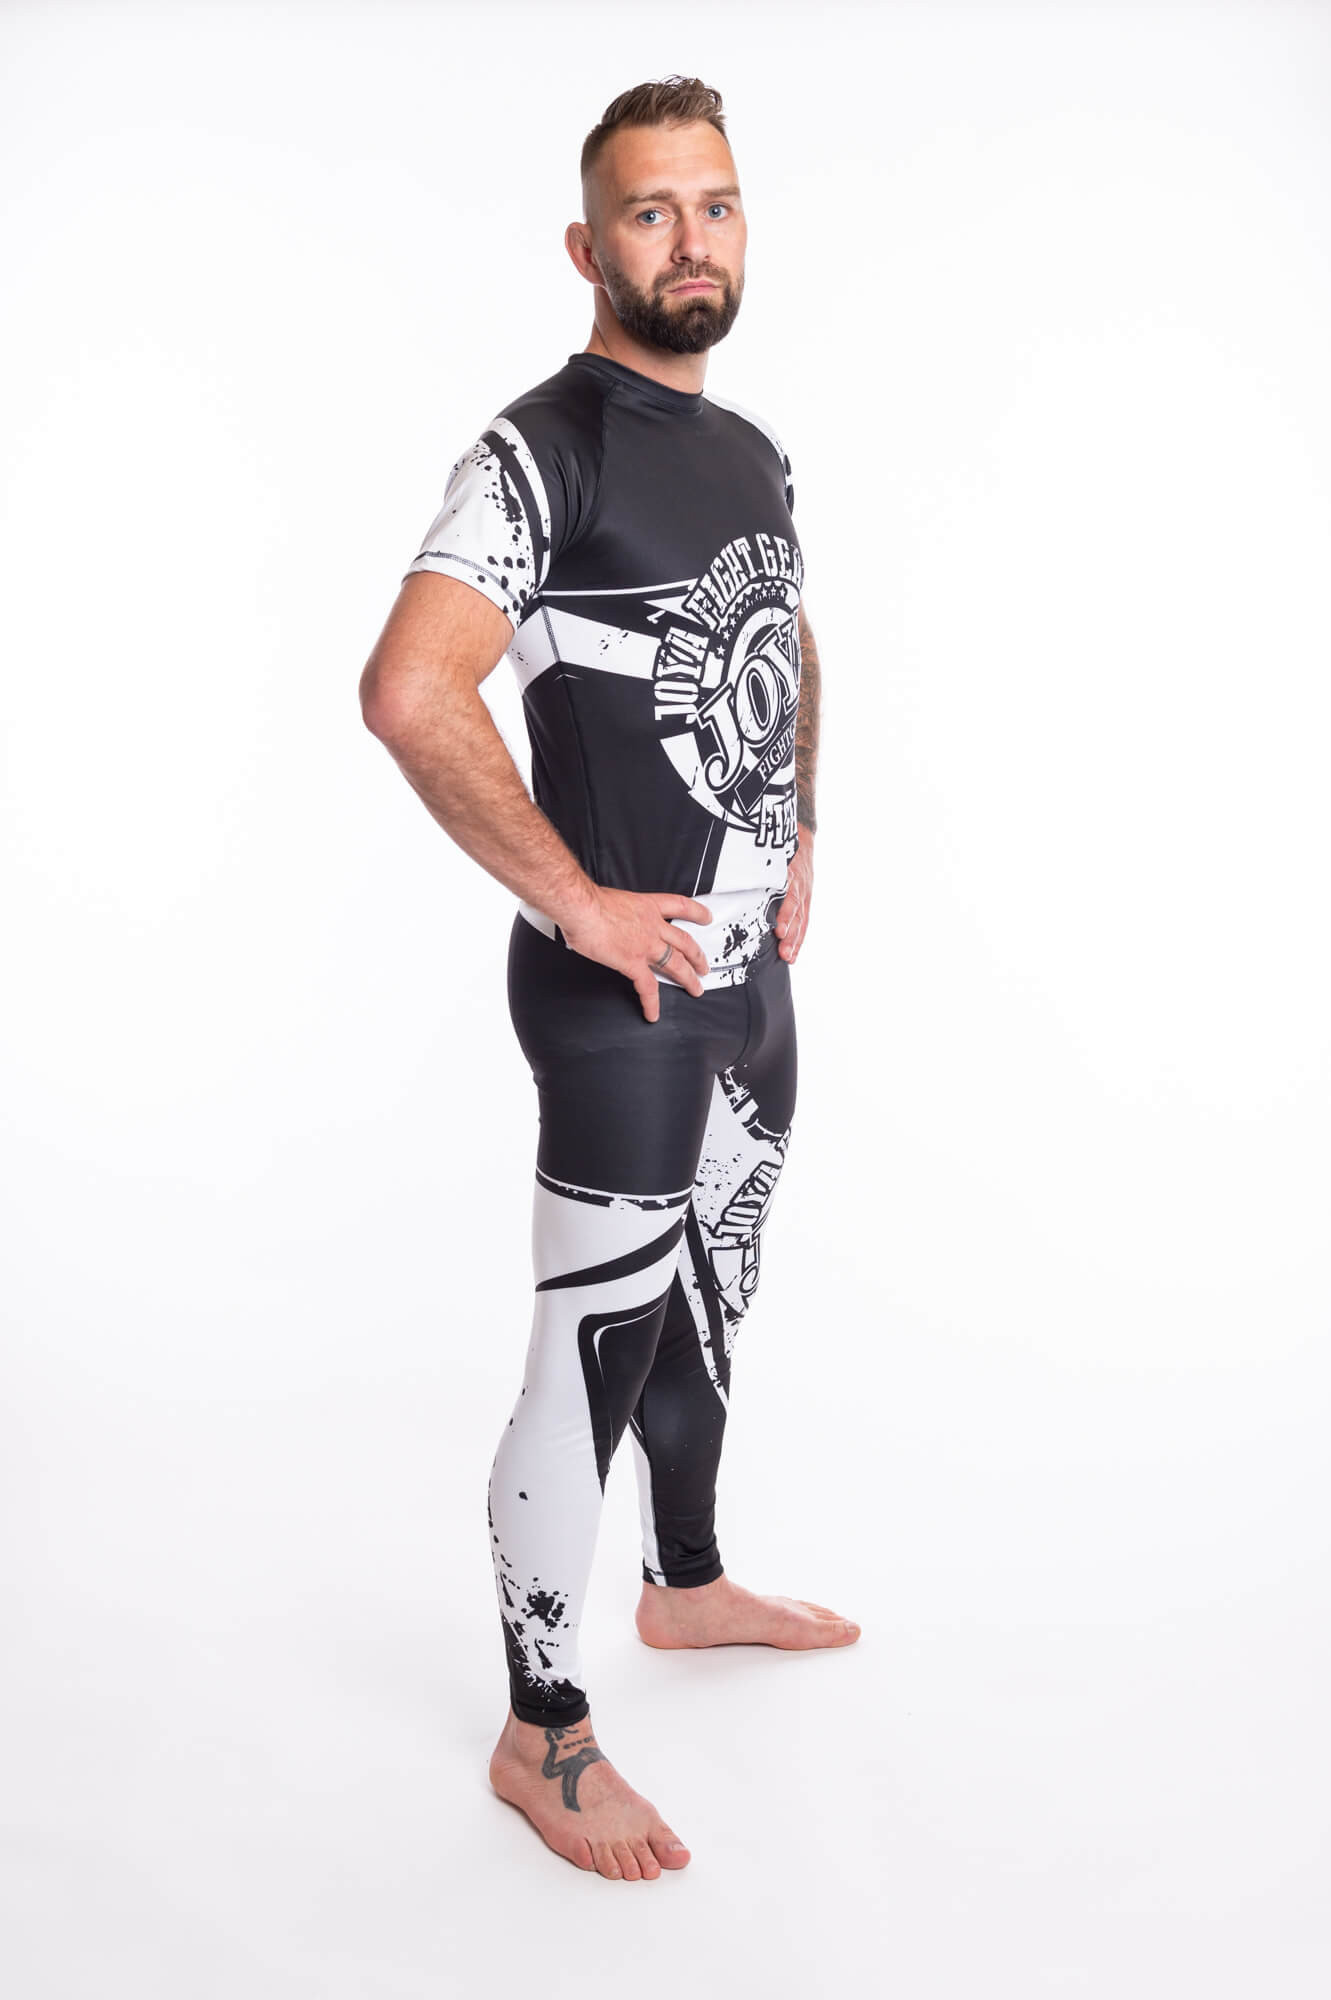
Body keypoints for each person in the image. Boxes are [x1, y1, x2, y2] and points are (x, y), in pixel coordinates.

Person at [359, 74, 859, 1883]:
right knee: (590, 1353)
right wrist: (576, 904)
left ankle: (687, 1583)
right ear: (591, 247)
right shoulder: (538, 453)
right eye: (652, 212)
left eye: (715, 205)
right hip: (622, 1008)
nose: (690, 239)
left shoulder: (753, 451)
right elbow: (411, 688)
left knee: (706, 1304)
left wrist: (801, 827)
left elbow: (785, 629)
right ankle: (543, 1733)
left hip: (747, 980)